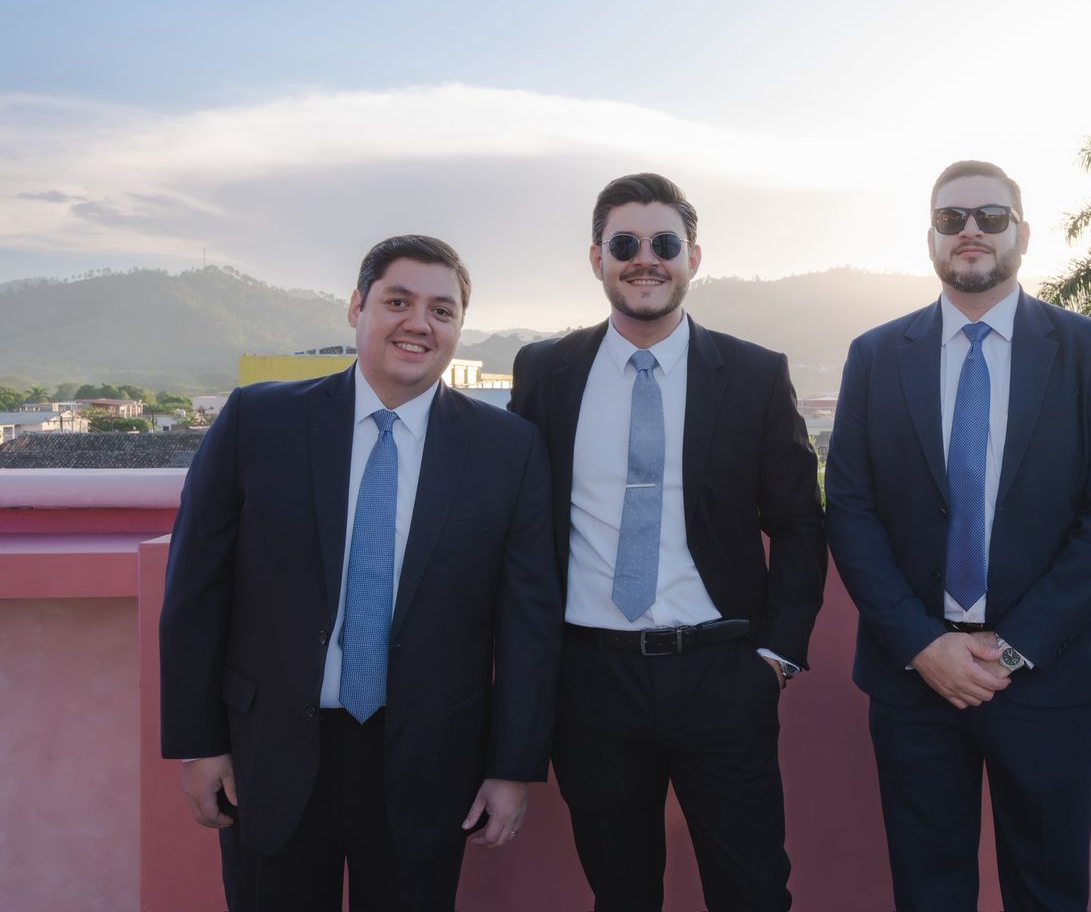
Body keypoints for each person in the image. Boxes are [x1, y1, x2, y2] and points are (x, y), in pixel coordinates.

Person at [159, 235, 562, 911]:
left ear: (459, 327)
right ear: (357, 308)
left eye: (441, 310)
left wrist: (512, 768)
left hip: (431, 762)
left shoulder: (509, 448)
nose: (419, 323)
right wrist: (199, 744)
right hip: (270, 753)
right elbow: (197, 590)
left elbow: (529, 622)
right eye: (398, 302)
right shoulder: (258, 420)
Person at [825, 159, 1091, 912]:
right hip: (914, 678)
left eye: (990, 218)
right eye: (952, 218)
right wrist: (922, 644)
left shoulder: (1089, 350)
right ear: (931, 238)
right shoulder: (874, 355)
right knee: (927, 890)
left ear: (1022, 234)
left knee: (1049, 890)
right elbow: (850, 509)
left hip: (1046, 675)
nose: (970, 231)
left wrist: (1014, 645)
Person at [508, 172, 827, 912]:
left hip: (722, 674)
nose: (644, 259)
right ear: (597, 258)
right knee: (621, 894)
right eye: (624, 244)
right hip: (590, 681)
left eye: (664, 244)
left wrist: (776, 659)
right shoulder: (546, 371)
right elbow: (515, 519)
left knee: (753, 891)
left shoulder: (753, 374)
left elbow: (799, 523)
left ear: (693, 258)